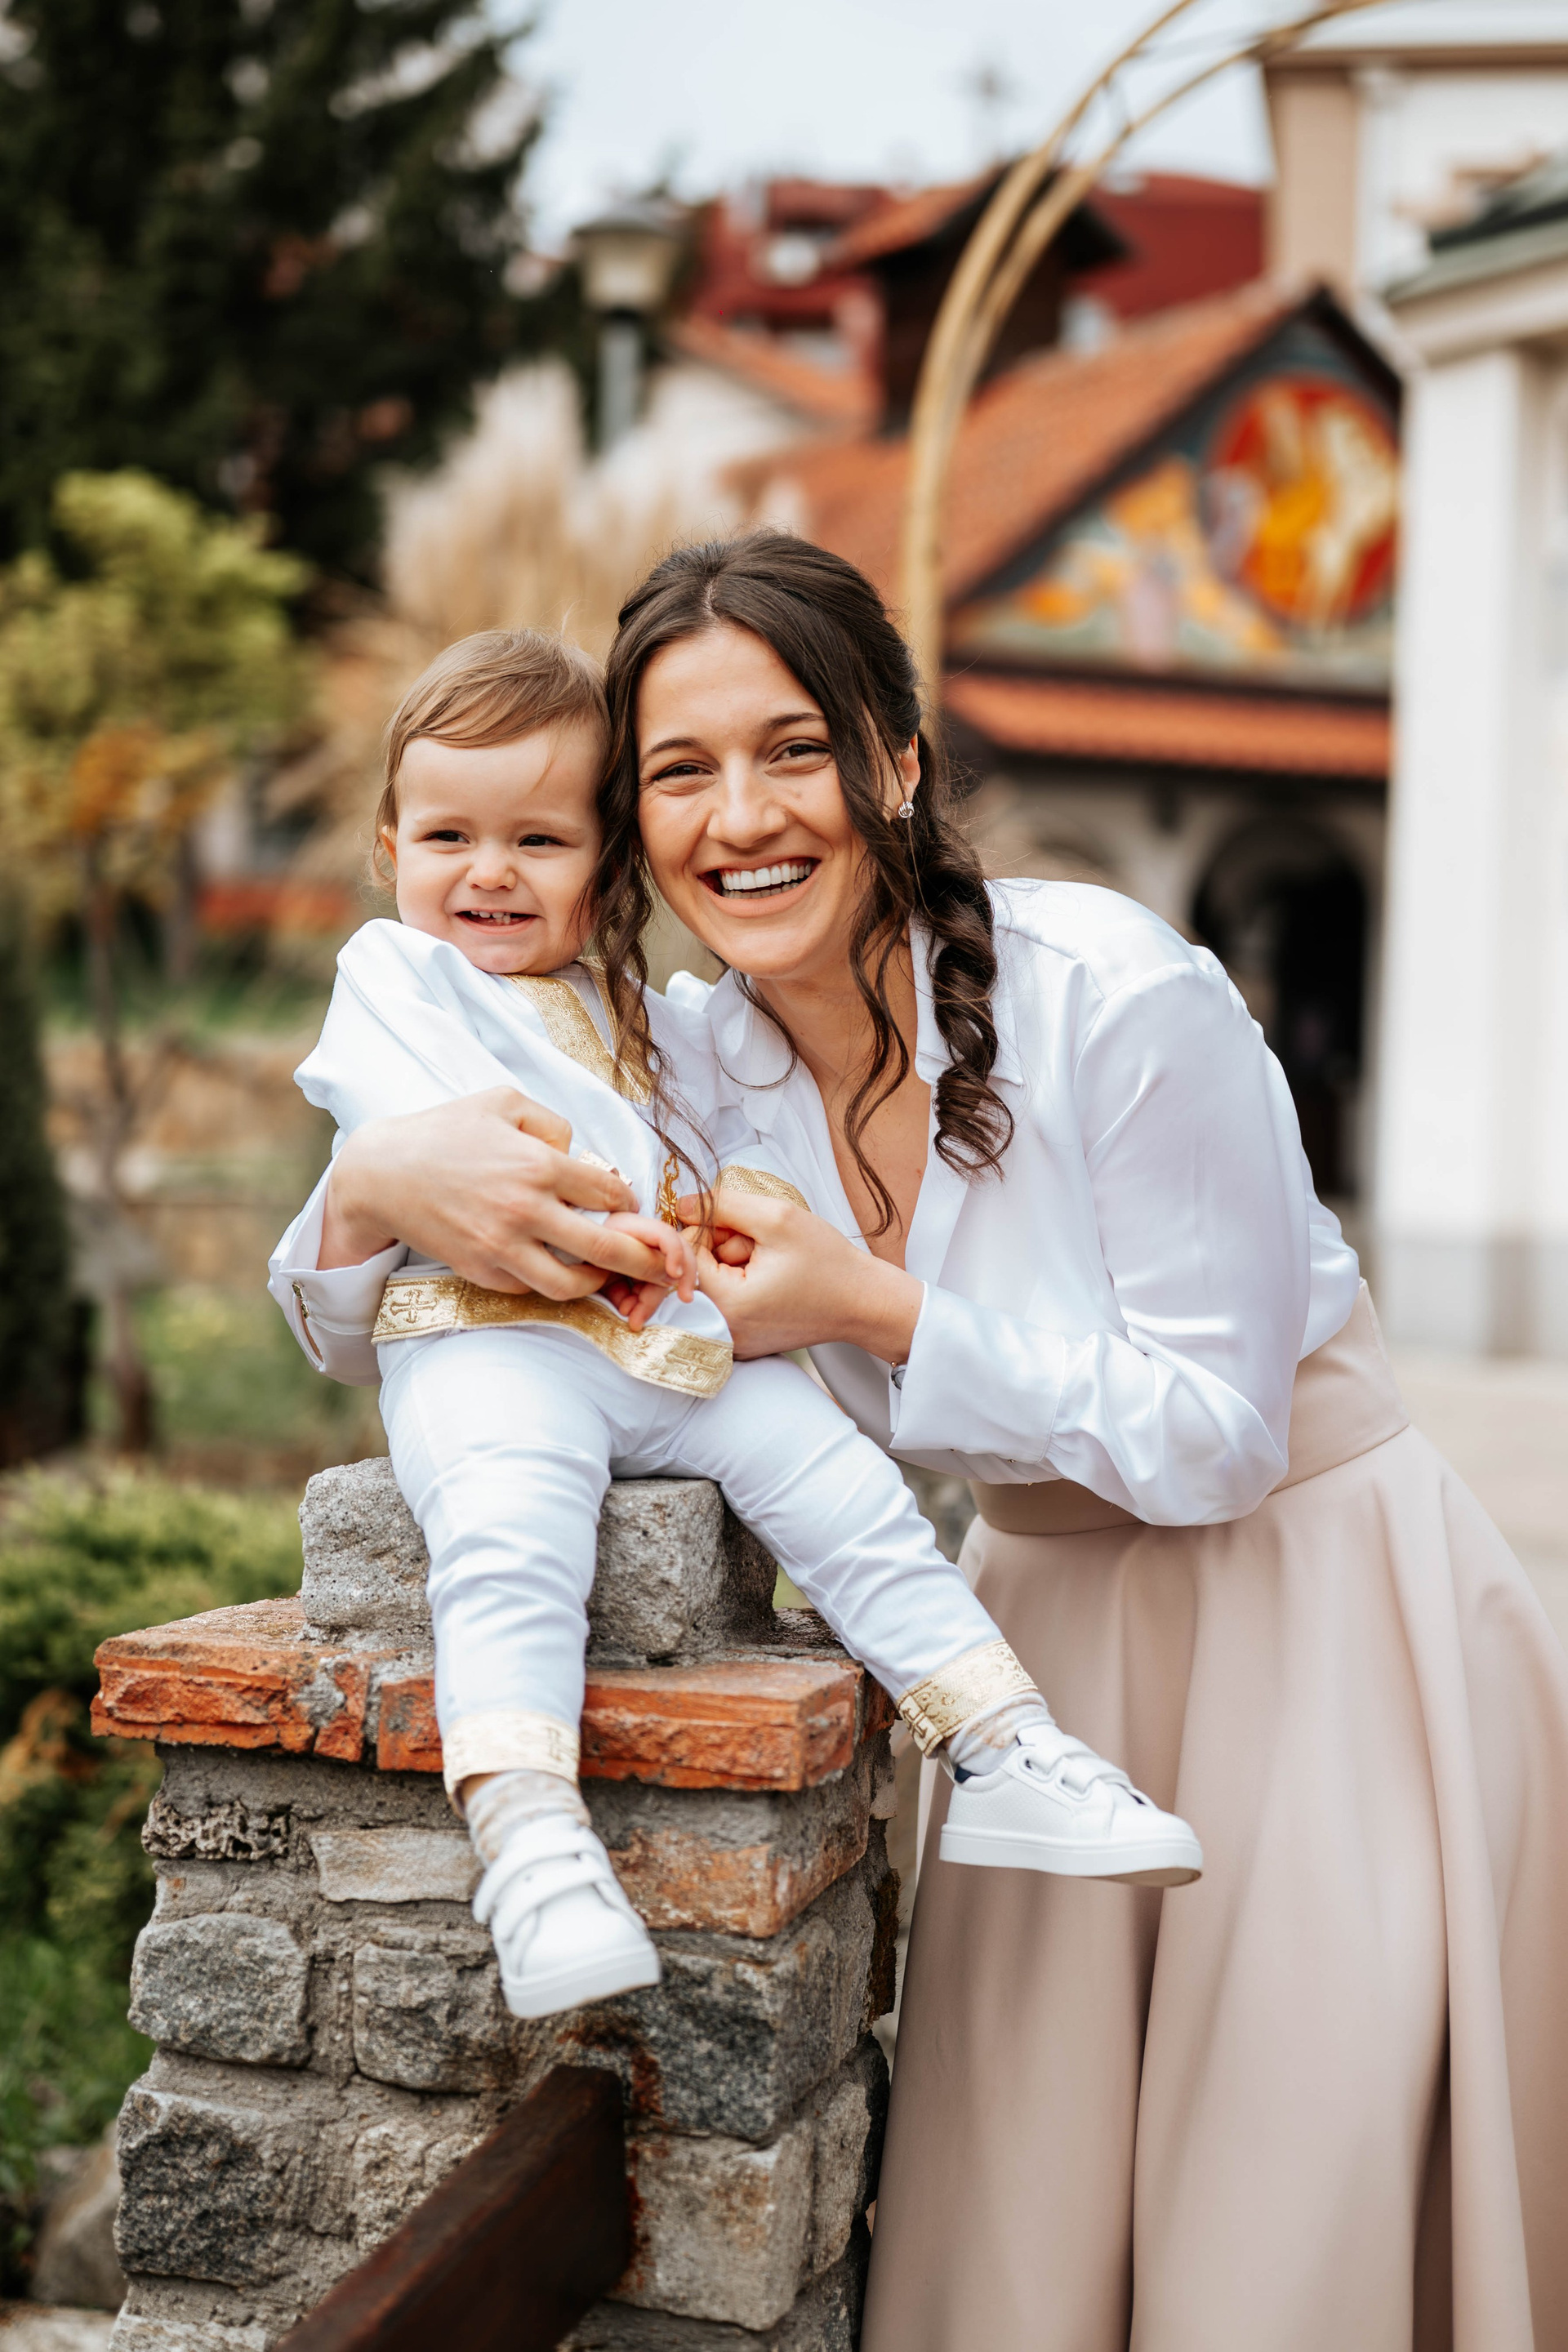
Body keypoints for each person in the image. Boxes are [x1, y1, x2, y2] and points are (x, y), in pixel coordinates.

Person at [276, 539, 1568, 2350]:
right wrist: (376, 1179)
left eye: (793, 750)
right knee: (1025, 2232)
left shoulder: (1116, 993)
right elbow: (392, 1333)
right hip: (1035, 1645)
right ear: (635, 830)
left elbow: (1217, 1441)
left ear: (895, 762)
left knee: (1289, 2218)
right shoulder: (682, 1065)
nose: (742, 817)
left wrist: (873, 1309)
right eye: (679, 772)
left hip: (1324, 1619)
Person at [271, 628, 1201, 2023]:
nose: (490, 873)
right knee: (509, 1531)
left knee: (846, 1488)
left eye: (539, 841)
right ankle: (528, 1838)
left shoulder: (649, 1015)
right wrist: (395, 1180)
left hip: (668, 1343)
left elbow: (704, 1162)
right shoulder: (398, 981)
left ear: (607, 869)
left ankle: (1004, 1741)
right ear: (390, 846)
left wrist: (718, 1225)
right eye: (450, 837)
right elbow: (416, 1141)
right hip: (488, 1340)